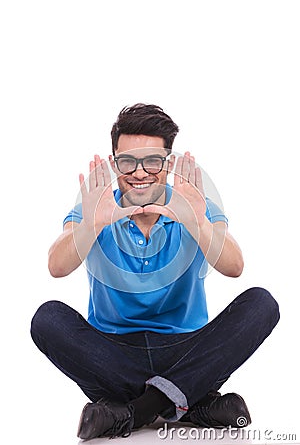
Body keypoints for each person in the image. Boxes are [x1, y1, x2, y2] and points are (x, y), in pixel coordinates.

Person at [31, 103, 280, 440]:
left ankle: (136, 411)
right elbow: (56, 267)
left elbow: (234, 267)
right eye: (127, 161)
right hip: (114, 354)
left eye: (151, 160)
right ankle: (192, 402)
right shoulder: (94, 208)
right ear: (114, 162)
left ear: (167, 164)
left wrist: (196, 221)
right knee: (47, 318)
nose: (139, 172)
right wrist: (94, 223)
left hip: (187, 349)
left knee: (261, 304)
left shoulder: (196, 207)